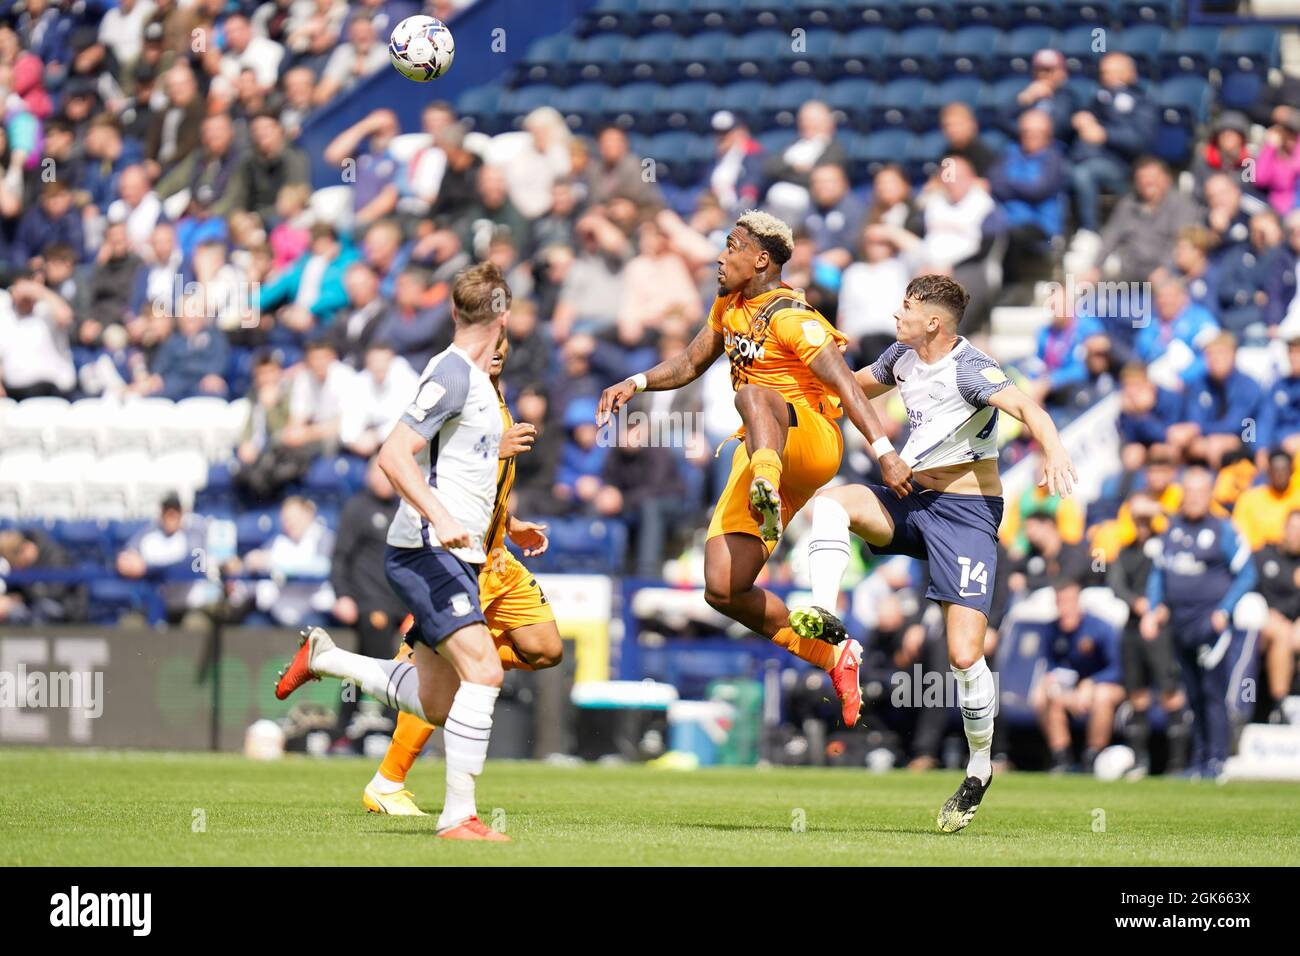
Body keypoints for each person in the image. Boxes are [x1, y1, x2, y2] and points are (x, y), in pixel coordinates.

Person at [597, 210, 911, 729]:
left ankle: (764, 483)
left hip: (808, 440)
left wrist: (884, 451)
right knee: (723, 588)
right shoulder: (729, 305)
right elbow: (692, 362)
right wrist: (638, 382)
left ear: (761, 259)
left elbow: (848, 386)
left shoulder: (793, 316)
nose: (720, 257)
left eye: (732, 246)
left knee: (754, 393)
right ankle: (833, 656)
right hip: (762, 446)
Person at [788, 275, 1077, 831]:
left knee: (965, 656)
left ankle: (978, 767)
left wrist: (1054, 449)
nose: (897, 313)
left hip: (966, 517)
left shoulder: (970, 368)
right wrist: (790, 386)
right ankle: (824, 611)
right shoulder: (902, 354)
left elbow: (1029, 409)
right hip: (913, 498)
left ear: (935, 323)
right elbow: (848, 389)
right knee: (832, 505)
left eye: (908, 307)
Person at [276, 263, 514, 842]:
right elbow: (393, 454)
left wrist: (507, 515)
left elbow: (458, 462)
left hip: (458, 550)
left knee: (437, 702)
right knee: (485, 670)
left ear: (455, 312)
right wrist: (442, 517)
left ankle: (325, 659)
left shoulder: (479, 383)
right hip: (427, 550)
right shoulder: (452, 375)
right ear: (503, 314)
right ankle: (460, 817)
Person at [362, 335, 562, 815]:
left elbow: (484, 484)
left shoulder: (495, 394)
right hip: (461, 553)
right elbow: (439, 468)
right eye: (489, 341)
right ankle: (386, 781)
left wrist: (512, 525)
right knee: (445, 686)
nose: (497, 350)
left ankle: (452, 657)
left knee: (546, 648)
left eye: (504, 341)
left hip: (497, 556)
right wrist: (496, 447)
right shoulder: (457, 390)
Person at [1142, 467, 1257, 778]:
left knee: (1211, 692)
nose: (1193, 498)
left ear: (1209, 495)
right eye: (1188, 492)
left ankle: (1216, 761)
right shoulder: (1172, 529)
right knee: (1190, 693)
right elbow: (1158, 574)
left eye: (1199, 492)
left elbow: (1247, 573)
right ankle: (1198, 760)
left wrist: (1225, 610)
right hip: (1180, 624)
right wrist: (1154, 608)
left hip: (1210, 626)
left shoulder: (1224, 530)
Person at [1105, 493, 1188, 777]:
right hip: (1133, 627)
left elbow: (1176, 577)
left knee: (1169, 690)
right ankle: (1140, 761)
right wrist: (1136, 603)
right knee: (1137, 693)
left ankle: (1177, 763)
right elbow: (1115, 583)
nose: (1141, 526)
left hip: (1160, 627)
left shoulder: (1167, 546)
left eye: (1146, 520)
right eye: (1137, 520)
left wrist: (1161, 608)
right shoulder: (1126, 552)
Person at [1030, 579, 1125, 773]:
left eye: (1068, 602)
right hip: (1073, 688)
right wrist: (1056, 685)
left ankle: (1093, 756)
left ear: (1078, 603)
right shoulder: (1052, 630)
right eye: (1059, 602)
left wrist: (1092, 683)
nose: (1063, 608)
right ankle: (1062, 758)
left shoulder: (1101, 628)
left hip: (1106, 685)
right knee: (1044, 696)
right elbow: (1052, 666)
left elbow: (1118, 669)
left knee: (1102, 696)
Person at [1255, 509, 1300, 723]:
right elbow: (1252, 590)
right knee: (1281, 634)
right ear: (1283, 529)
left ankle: (1290, 701)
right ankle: (1280, 705)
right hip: (1265, 621)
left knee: (1291, 636)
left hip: (1294, 624)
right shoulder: (1264, 556)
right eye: (1293, 529)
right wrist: (1269, 611)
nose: (1297, 535)